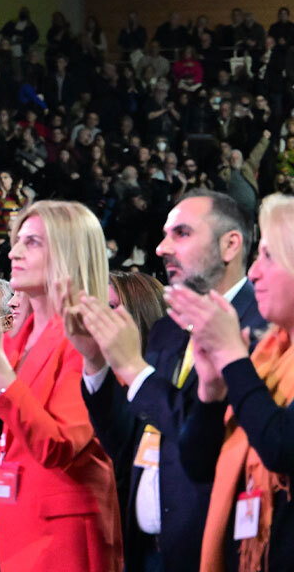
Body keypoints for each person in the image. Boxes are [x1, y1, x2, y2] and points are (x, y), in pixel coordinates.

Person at [79, 191, 266, 572]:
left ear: (230, 245)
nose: (162, 248)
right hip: (146, 548)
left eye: (181, 233)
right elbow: (127, 444)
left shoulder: (264, 328)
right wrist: (96, 362)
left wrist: (136, 371)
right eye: (165, 234)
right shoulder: (167, 329)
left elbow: (213, 441)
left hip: (215, 551)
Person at [0, 200, 122, 571]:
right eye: (17, 241)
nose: (14, 252)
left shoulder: (90, 336)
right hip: (3, 529)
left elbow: (58, 447)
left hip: (62, 541)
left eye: (32, 242)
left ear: (69, 252)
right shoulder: (12, 343)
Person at [174, 193, 294, 571]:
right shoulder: (268, 355)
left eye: (269, 256)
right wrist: (211, 392)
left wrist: (231, 357)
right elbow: (198, 465)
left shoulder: (248, 360)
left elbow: (281, 447)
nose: (254, 272)